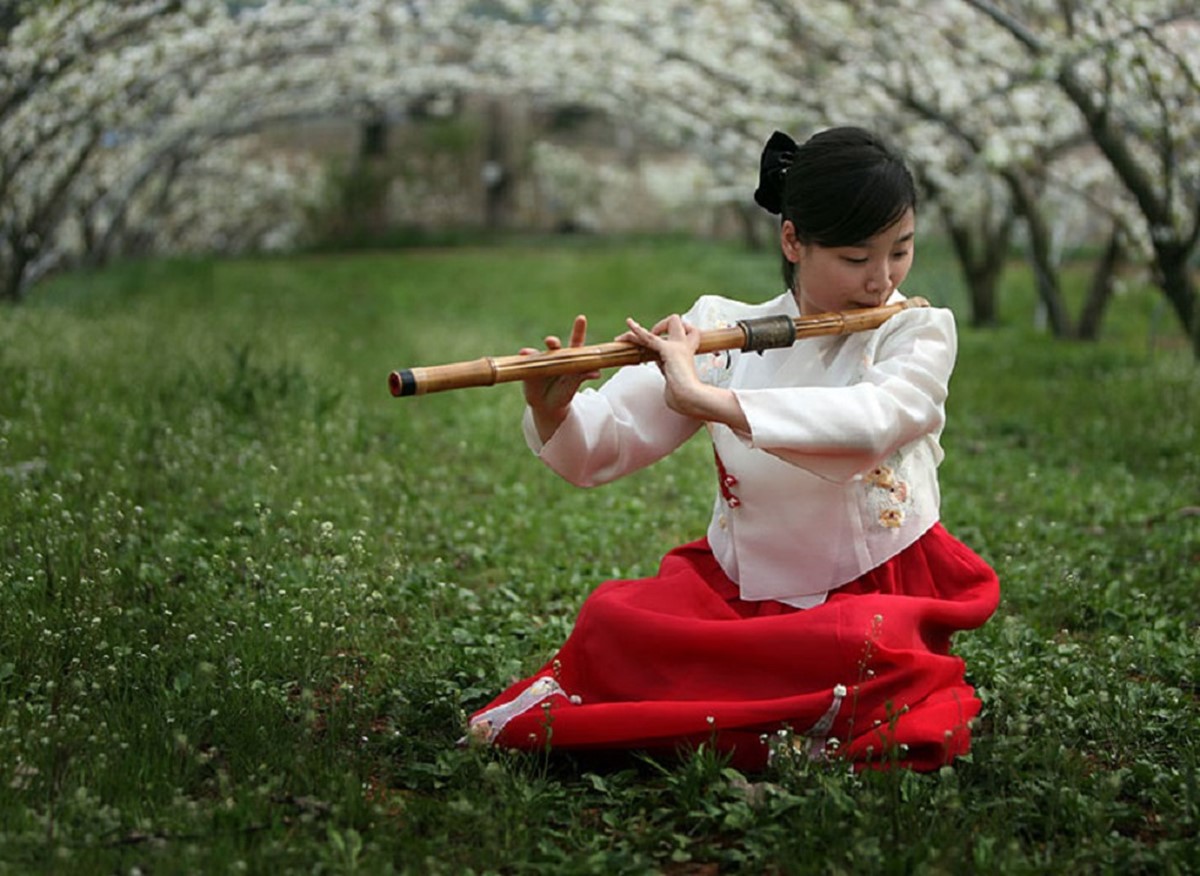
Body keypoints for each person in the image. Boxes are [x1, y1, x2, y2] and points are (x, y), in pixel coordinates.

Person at [466, 127, 1000, 771]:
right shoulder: (721, 327)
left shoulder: (916, 329)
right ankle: (766, 713)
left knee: (862, 643)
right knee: (611, 618)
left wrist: (709, 401)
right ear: (793, 240)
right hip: (740, 581)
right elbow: (606, 444)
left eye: (901, 252)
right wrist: (554, 409)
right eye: (857, 259)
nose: (880, 280)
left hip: (873, 583)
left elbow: (873, 425)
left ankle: (762, 712)